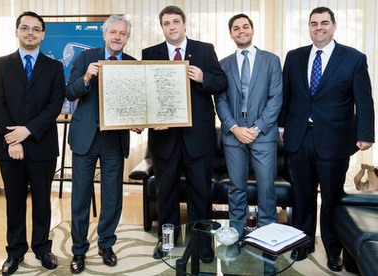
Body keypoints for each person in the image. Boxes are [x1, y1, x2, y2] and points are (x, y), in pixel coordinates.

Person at [278, 6, 374, 272]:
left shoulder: (353, 58)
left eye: (324, 23)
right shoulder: (294, 57)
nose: (318, 27)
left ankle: (334, 251)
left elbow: (364, 100)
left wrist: (365, 134)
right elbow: (287, 96)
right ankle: (303, 243)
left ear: (334, 25)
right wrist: (281, 127)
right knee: (302, 195)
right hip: (299, 137)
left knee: (331, 198)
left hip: (335, 139)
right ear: (308, 27)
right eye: (313, 23)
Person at [142, 5, 227, 260]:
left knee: (200, 194)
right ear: (162, 27)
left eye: (176, 22)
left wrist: (203, 77)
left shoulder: (204, 49)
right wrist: (148, 120)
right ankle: (167, 243)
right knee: (165, 193)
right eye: (166, 23)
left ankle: (202, 245)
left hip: (198, 138)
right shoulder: (151, 53)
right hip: (163, 137)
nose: (172, 27)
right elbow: (144, 93)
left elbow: (221, 82)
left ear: (184, 24)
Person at [0, 11, 65, 276]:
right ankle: (15, 252)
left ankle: (43, 248)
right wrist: (13, 138)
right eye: (25, 28)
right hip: (8, 146)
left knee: (42, 201)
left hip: (42, 145)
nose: (30, 32)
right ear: (17, 31)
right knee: (14, 201)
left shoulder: (55, 68)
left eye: (36, 29)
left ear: (43, 34)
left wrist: (27, 131)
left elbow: (54, 106)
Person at [66, 15, 135, 274]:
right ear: (104, 35)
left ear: (127, 38)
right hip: (85, 138)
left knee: (112, 197)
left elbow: (134, 104)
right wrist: (85, 78)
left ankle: (106, 245)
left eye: (123, 33)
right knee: (80, 198)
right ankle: (79, 251)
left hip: (114, 141)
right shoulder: (86, 58)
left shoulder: (132, 64)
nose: (117, 37)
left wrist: (137, 121)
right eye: (113, 32)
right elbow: (69, 91)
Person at [215, 13, 283, 238]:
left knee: (266, 189)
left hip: (262, 135)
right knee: (236, 190)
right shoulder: (223, 64)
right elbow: (221, 100)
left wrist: (256, 128)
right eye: (236, 28)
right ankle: (236, 236)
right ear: (231, 34)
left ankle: (266, 238)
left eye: (245, 27)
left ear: (252, 30)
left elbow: (276, 99)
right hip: (234, 135)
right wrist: (234, 128)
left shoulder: (271, 60)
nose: (241, 31)